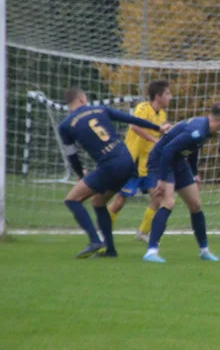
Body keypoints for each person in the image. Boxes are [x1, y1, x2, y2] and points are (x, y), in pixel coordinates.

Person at [56, 87, 167, 258]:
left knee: (72, 200)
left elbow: (72, 156)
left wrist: (80, 174)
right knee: (98, 202)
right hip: (128, 162)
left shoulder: (65, 126)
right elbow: (132, 119)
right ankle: (110, 250)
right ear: (82, 99)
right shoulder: (101, 109)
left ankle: (95, 240)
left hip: (110, 166)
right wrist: (158, 128)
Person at [142, 102, 220, 263]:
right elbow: (167, 150)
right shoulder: (197, 130)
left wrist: (194, 174)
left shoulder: (206, 129)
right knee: (168, 202)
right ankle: (151, 251)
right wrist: (162, 179)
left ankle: (204, 250)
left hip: (178, 161)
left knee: (196, 204)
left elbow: (192, 150)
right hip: (161, 161)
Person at [108, 79, 172, 242]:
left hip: (150, 165)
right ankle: (104, 231)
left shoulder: (163, 114)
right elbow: (134, 127)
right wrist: (155, 139)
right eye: (167, 94)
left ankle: (142, 232)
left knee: (158, 200)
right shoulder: (143, 108)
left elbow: (161, 136)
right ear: (157, 96)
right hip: (133, 162)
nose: (170, 97)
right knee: (120, 201)